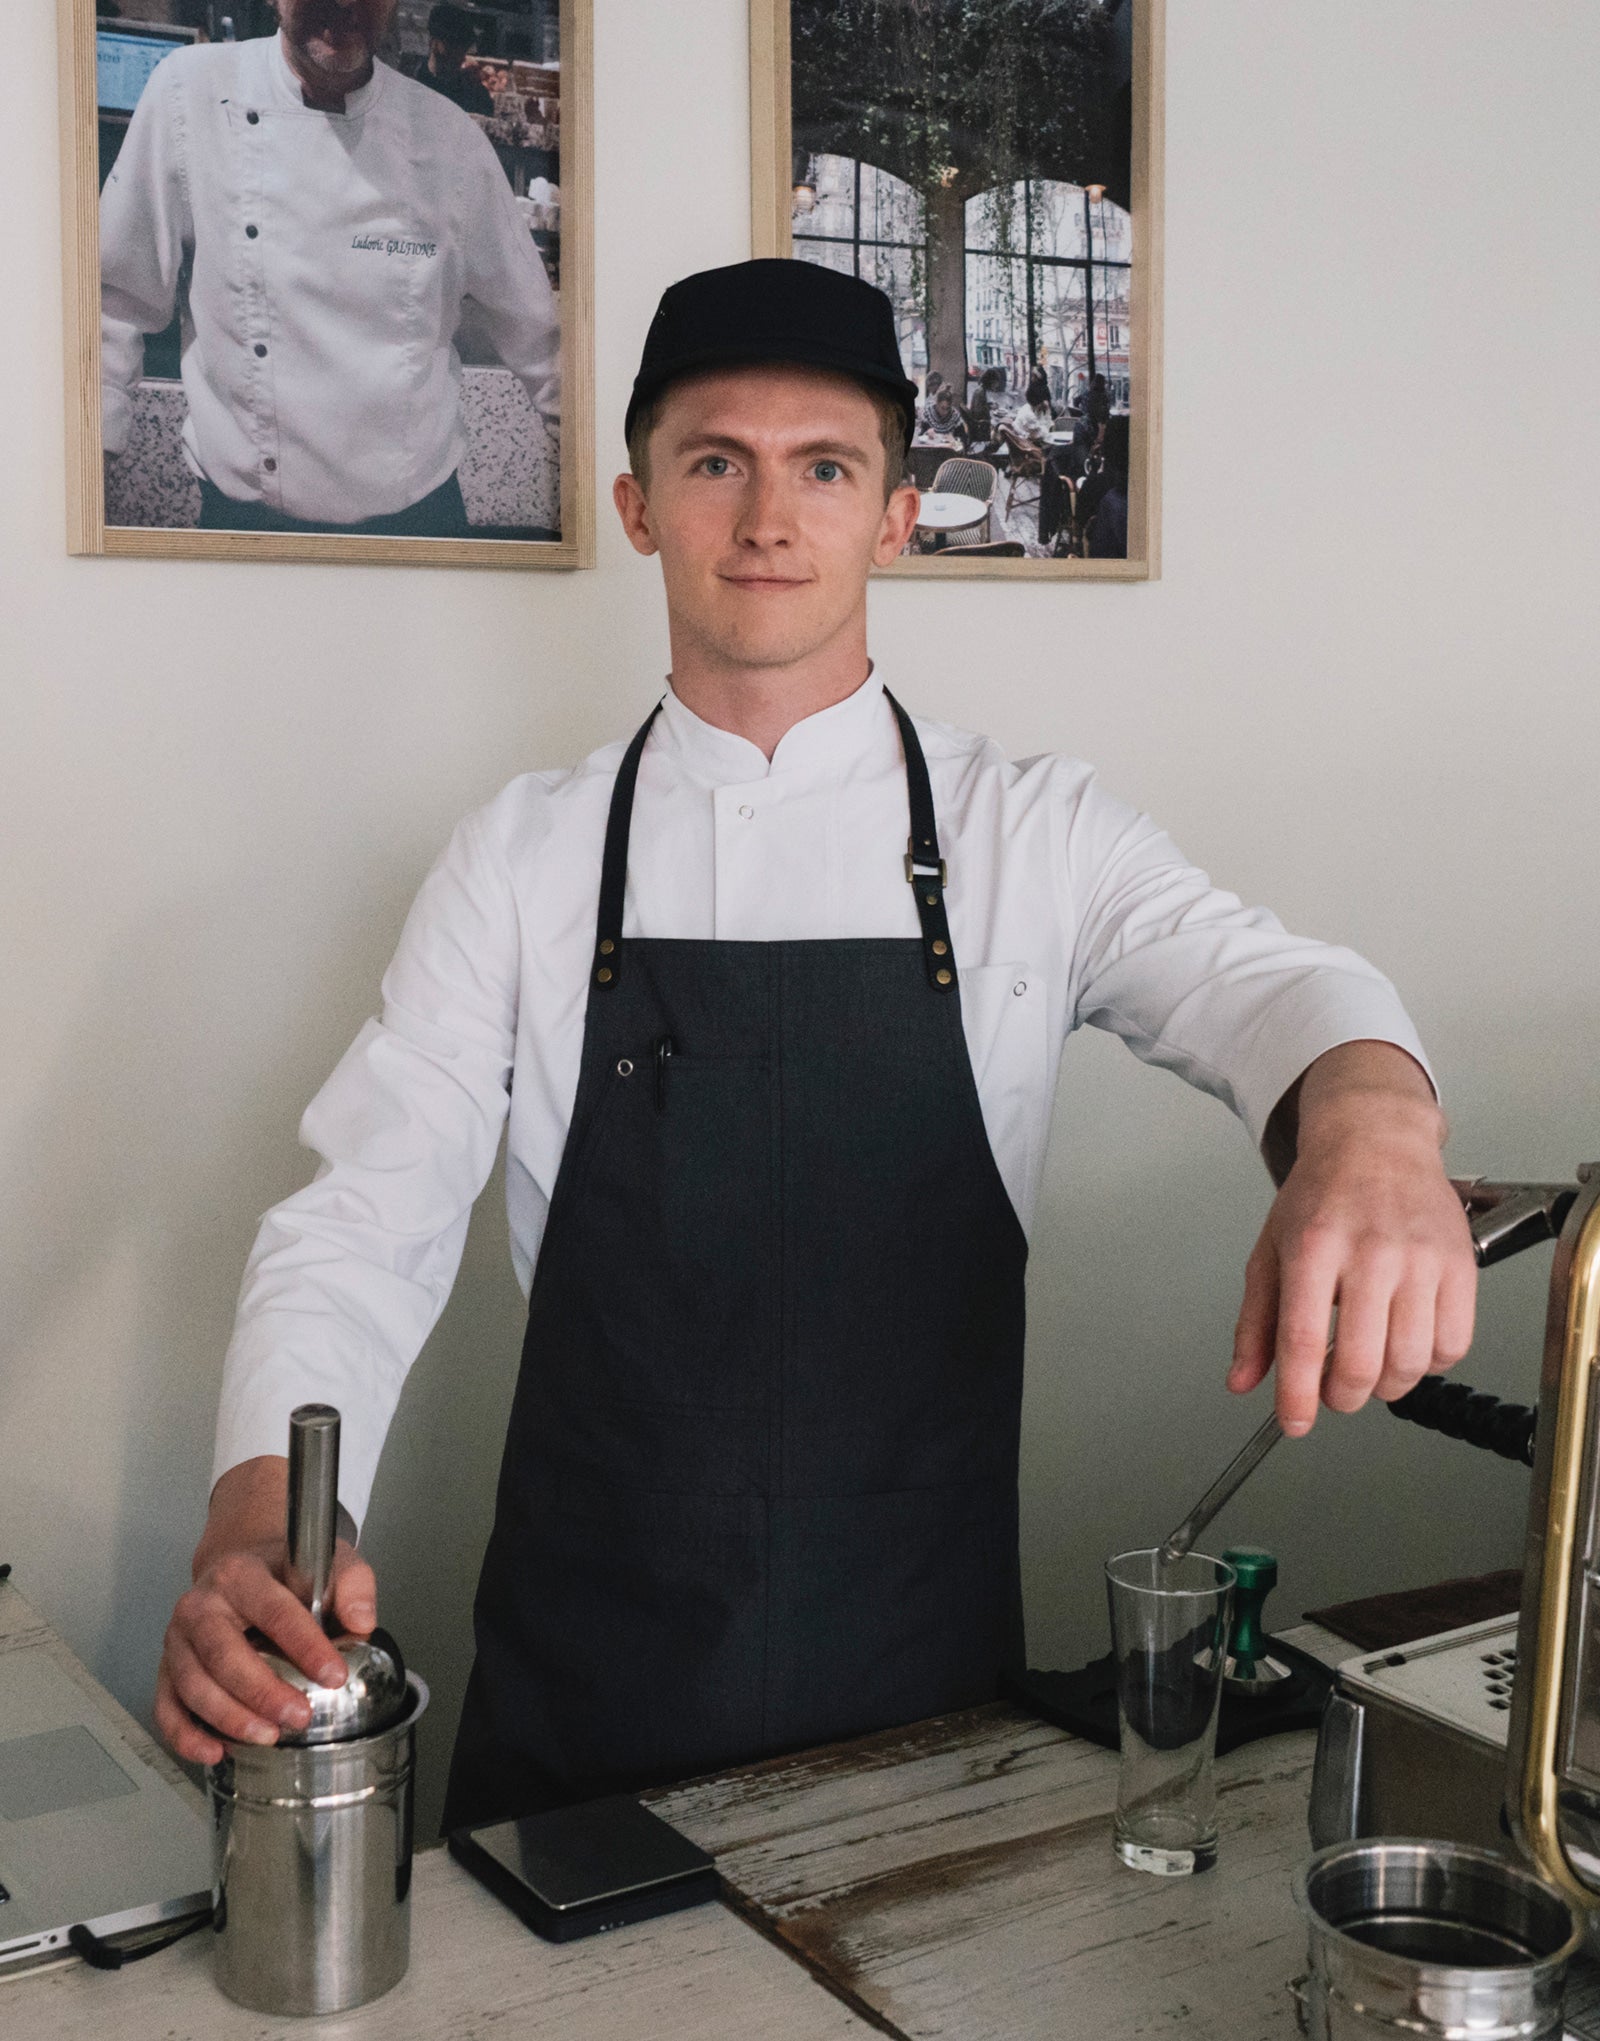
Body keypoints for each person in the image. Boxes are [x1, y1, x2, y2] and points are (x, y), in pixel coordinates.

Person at [154, 260, 1475, 1830]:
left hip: (925, 1719)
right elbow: (363, 1224)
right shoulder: (520, 857)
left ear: (897, 517)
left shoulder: (1032, 834)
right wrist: (258, 1522)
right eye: (718, 462)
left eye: (826, 469)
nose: (770, 518)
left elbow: (1273, 991)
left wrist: (1372, 1131)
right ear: (641, 507)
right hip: (584, 1708)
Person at [99, 0, 559, 536]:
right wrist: (86, 477)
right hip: (244, 528)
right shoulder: (191, 93)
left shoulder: (448, 137)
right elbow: (114, 304)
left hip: (418, 529)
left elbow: (542, 336)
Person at [406, 2, 494, 116]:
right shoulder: (412, 83)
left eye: (463, 46)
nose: (458, 54)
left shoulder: (475, 94)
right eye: (452, 44)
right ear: (433, 42)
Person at [1008, 370, 1055, 447]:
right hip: (1027, 446)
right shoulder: (1030, 415)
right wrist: (1047, 413)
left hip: (1025, 441)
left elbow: (1045, 426)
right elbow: (1043, 434)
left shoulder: (1029, 408)